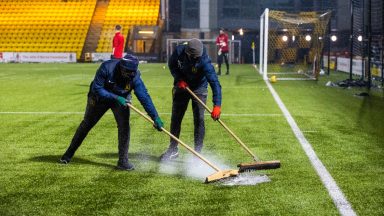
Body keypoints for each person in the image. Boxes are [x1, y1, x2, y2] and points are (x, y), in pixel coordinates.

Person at [60, 54, 164, 170]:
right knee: (87, 124)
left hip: (121, 100)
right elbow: (97, 88)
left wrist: (155, 117)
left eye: (133, 72)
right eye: (129, 72)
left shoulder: (135, 77)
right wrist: (116, 97)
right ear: (122, 68)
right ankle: (68, 154)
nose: (132, 75)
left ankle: (123, 161)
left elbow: (144, 97)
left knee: (124, 128)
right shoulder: (106, 67)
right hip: (99, 98)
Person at [159, 38, 222, 161]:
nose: (196, 59)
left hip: (199, 88)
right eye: (194, 57)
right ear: (188, 53)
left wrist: (217, 105)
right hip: (182, 86)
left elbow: (215, 83)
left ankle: (197, 154)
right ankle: (173, 149)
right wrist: (179, 79)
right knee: (176, 118)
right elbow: (172, 66)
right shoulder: (178, 52)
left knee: (199, 119)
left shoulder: (204, 61)